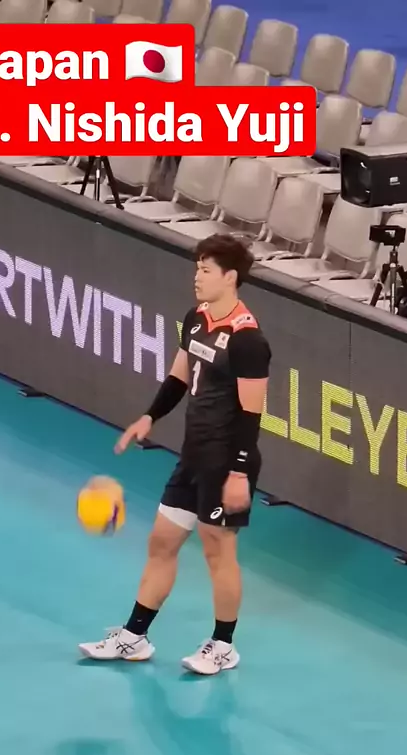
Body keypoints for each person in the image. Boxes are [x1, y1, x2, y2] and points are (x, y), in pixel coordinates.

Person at [79, 234, 271, 676]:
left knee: (218, 552)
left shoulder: (248, 341)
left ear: (230, 277)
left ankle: (223, 645)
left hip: (227, 461)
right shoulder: (197, 318)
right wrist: (150, 416)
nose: (196, 277)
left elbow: (251, 414)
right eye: (196, 268)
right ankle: (134, 637)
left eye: (206, 270)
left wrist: (239, 473)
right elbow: (178, 378)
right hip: (193, 456)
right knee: (162, 542)